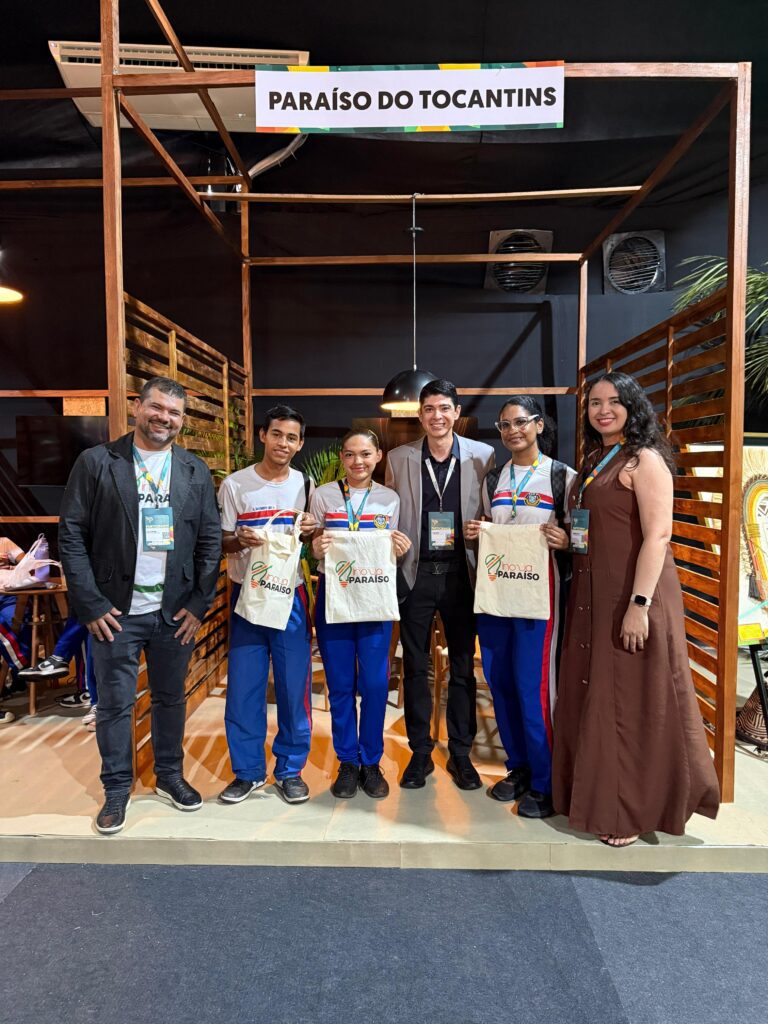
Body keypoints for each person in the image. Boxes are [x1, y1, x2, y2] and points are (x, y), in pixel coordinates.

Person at [552, 371, 720, 846]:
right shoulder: (595, 460)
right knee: (600, 697)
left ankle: (631, 811)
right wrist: (566, 541)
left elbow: (659, 535)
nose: (603, 410)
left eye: (613, 401)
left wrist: (639, 605)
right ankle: (594, 797)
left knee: (631, 702)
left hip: (633, 595)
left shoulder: (644, 459)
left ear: (632, 406)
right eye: (594, 403)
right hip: (592, 595)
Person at [59, 376, 222, 834]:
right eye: (157, 407)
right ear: (137, 407)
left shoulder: (193, 470)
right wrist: (91, 605)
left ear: (182, 420)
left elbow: (209, 541)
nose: (163, 418)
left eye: (173, 412)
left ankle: (169, 775)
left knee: (171, 697)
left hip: (174, 613)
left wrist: (198, 603)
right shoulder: (97, 462)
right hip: (114, 612)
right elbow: (71, 535)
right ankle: (116, 788)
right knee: (114, 703)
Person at [464, 396, 576, 818]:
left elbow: (581, 534)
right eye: (505, 425)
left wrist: (566, 541)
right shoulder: (494, 479)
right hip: (496, 595)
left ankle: (546, 782)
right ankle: (519, 768)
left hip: (538, 597)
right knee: (501, 682)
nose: (513, 431)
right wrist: (477, 531)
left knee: (534, 687)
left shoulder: (562, 476)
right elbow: (488, 525)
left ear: (539, 425)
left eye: (521, 422)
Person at [385, 379, 495, 790]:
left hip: (461, 574)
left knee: (463, 667)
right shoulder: (399, 458)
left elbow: (492, 511)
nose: (437, 416)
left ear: (457, 412)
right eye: (429, 408)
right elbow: (388, 512)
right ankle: (420, 752)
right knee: (415, 666)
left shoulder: (483, 456)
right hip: (416, 574)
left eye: (444, 408)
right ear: (420, 415)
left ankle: (461, 753)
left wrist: (485, 528)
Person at [218, 405, 318, 806]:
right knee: (244, 686)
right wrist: (237, 540)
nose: (283, 443)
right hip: (246, 595)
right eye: (277, 434)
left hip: (290, 594)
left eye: (292, 437)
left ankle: (290, 770)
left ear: (300, 443)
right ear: (263, 435)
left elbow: (309, 537)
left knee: (294, 686)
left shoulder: (305, 484)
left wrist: (311, 531)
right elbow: (221, 541)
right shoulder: (235, 485)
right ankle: (247, 772)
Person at [310, 429, 411, 799]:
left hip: (373, 598)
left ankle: (371, 761)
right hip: (334, 596)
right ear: (342, 457)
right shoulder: (323, 495)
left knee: (374, 684)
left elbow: (388, 549)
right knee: (339, 685)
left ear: (378, 456)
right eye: (350, 454)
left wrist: (399, 547)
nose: (358, 462)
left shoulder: (389, 499)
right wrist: (316, 547)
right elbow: (312, 542)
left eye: (366, 454)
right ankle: (348, 761)